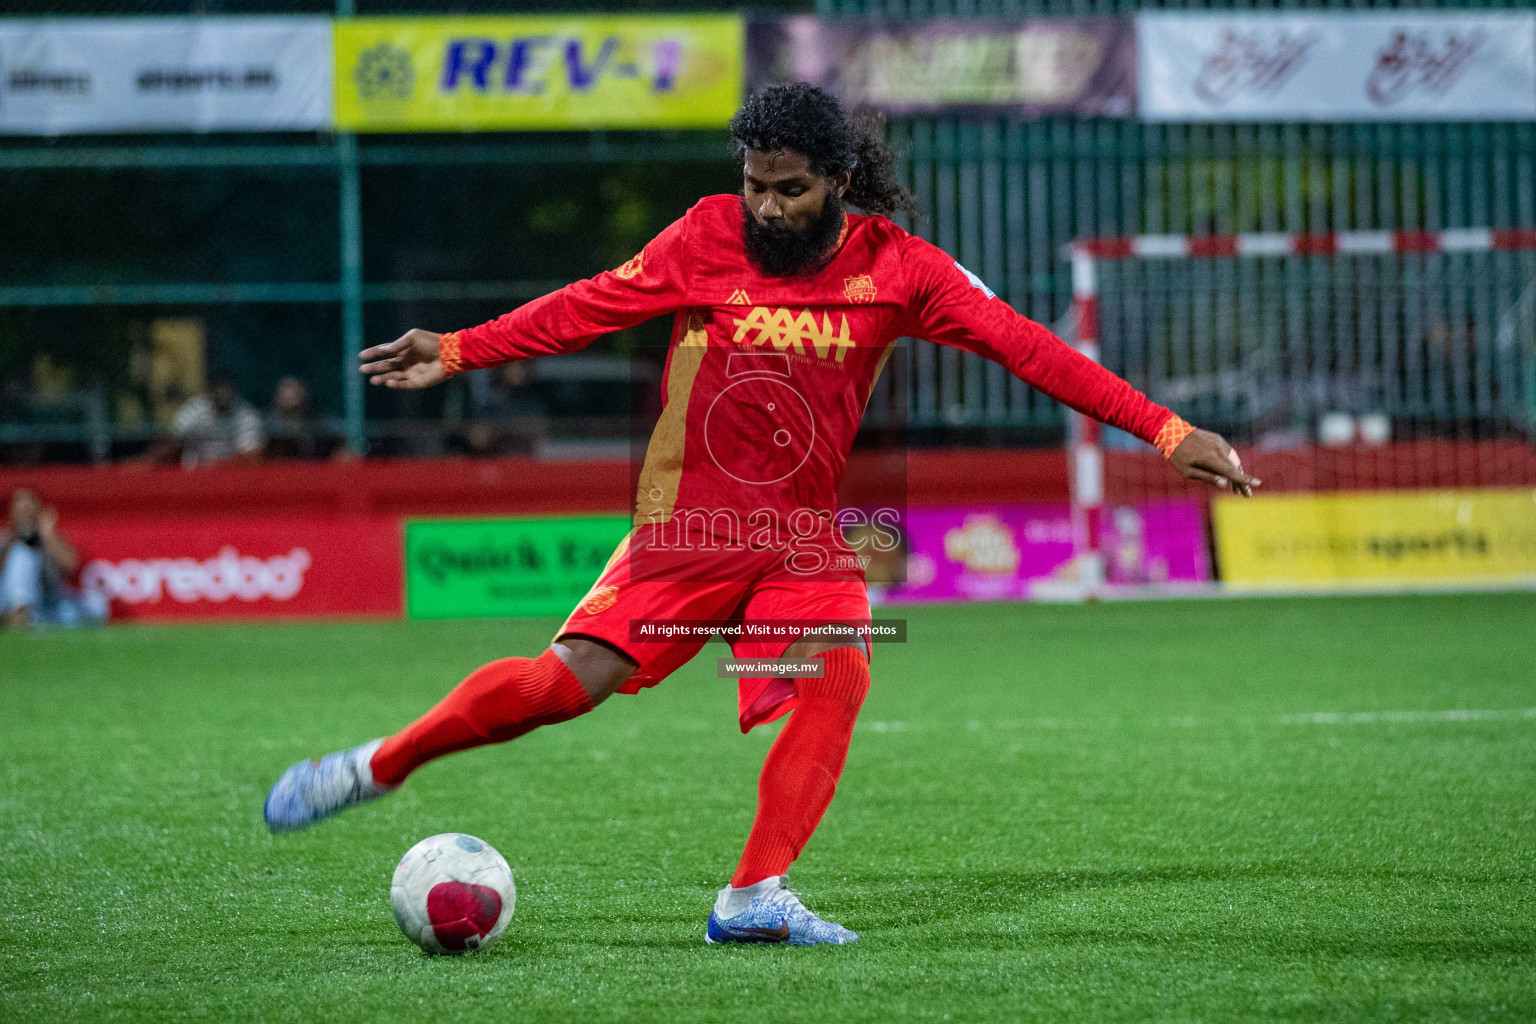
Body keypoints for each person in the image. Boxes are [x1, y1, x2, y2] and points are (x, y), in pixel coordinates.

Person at [264, 84, 1259, 945]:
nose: (769, 205)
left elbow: (1031, 350)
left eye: (790, 187)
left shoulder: (900, 269)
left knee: (841, 665)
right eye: (755, 183)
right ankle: (375, 765)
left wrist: (1169, 432)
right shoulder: (702, 237)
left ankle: (752, 896)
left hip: (796, 538)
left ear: (837, 179)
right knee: (565, 686)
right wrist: (464, 349)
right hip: (688, 528)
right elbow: (587, 305)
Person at [1, 488, 107, 629]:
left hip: (46, 604)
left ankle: (33, 622)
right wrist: (14, 541)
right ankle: (18, 616)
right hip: (11, 603)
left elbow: (72, 564)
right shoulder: (5, 538)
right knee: (22, 554)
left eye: (29, 509)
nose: (25, 513)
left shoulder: (51, 537)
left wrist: (47, 535)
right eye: (21, 510)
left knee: (96, 603)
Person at [169, 375, 264, 468]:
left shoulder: (246, 414)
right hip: (195, 473)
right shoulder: (193, 410)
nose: (221, 393)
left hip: (232, 473)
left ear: (234, 390)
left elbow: (252, 452)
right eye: (216, 388)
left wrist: (217, 466)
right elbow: (174, 442)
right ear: (208, 391)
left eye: (226, 388)